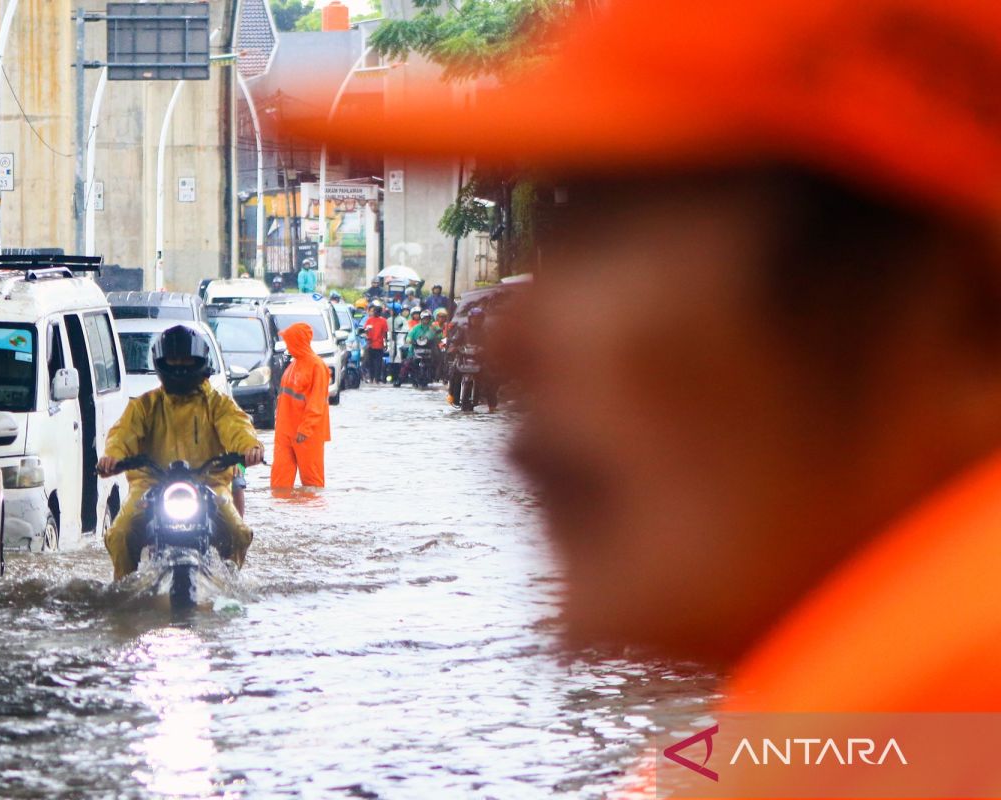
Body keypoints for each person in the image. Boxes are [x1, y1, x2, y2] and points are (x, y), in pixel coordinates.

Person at [292, 0, 1001, 758]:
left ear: (914, 302)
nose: (511, 343)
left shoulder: (911, 718)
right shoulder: (832, 718)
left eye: (611, 238)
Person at [98, 326, 264, 580]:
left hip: (210, 485)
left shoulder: (218, 404)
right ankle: (123, 590)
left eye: (186, 362)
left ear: (200, 363)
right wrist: (112, 457)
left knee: (238, 532)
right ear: (161, 364)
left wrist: (250, 448)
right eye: (173, 363)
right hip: (149, 486)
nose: (179, 368)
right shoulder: (144, 405)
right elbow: (122, 435)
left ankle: (231, 583)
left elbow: (237, 428)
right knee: (119, 534)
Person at [271, 323, 331, 489]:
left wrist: (305, 429)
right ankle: (281, 513)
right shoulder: (293, 364)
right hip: (285, 431)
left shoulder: (317, 367)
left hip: (307, 434)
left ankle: (310, 515)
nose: (287, 345)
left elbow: (317, 403)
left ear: (298, 341)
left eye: (289, 341)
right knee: (279, 484)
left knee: (312, 484)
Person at [397, 310, 442, 387]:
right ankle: (399, 380)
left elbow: (440, 335)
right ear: (421, 319)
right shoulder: (416, 328)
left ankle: (438, 376)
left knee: (439, 360)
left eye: (427, 318)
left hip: (430, 349)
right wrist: (410, 340)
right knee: (407, 364)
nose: (426, 320)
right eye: (424, 318)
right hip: (415, 349)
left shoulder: (433, 327)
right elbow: (409, 337)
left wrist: (436, 337)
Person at [361, 304, 389, 383]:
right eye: (374, 311)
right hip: (370, 344)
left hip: (379, 345)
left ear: (380, 312)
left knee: (378, 363)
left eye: (377, 311)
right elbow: (365, 330)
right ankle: (371, 377)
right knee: (370, 362)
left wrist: (385, 343)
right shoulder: (369, 320)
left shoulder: (383, 321)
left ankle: (377, 378)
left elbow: (385, 333)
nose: (375, 313)